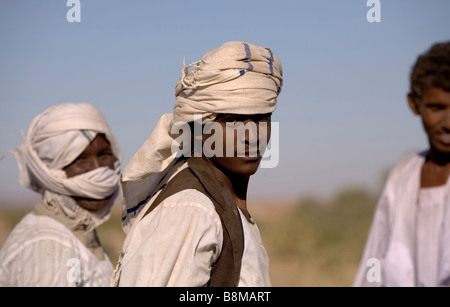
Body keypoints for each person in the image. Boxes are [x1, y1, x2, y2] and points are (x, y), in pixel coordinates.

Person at [111, 41, 283, 287]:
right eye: (233, 120)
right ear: (201, 127)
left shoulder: (221, 206)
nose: (252, 135)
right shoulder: (191, 210)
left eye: (262, 118)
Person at [354, 41, 450, 287]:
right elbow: (372, 267)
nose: (448, 123)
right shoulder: (402, 177)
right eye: (437, 107)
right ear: (414, 104)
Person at [0, 103, 122, 287]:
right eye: (80, 158)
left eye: (104, 155)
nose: (98, 171)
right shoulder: (49, 246)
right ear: (50, 171)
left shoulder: (77, 232)